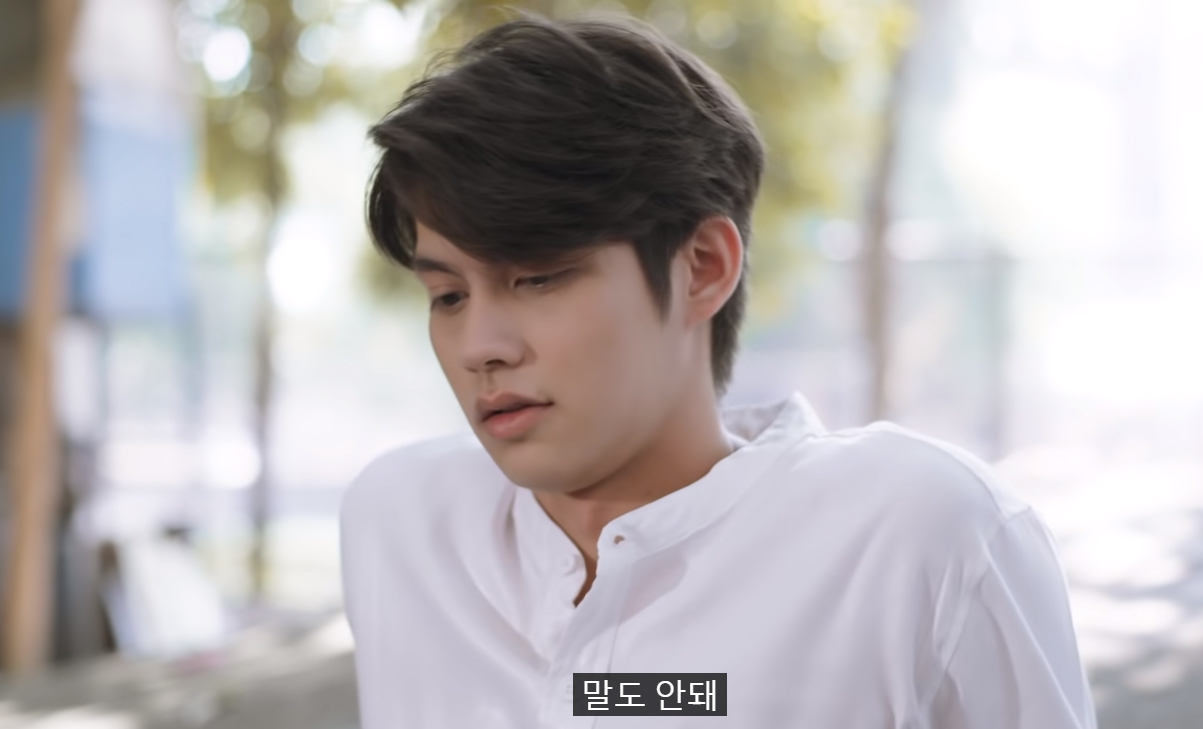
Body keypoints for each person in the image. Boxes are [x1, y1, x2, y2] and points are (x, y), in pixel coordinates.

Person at [340, 13, 1096, 729]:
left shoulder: (916, 533)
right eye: (448, 295)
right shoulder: (402, 523)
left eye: (536, 278)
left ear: (702, 267)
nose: (479, 345)